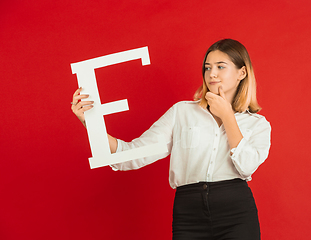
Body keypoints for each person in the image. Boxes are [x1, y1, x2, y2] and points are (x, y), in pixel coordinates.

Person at [71, 39, 271, 240]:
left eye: (221, 67)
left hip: (236, 213)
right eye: (207, 67)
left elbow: (246, 167)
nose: (212, 74)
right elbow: (129, 156)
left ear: (241, 73)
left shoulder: (257, 124)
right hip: (189, 214)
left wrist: (227, 116)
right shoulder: (182, 112)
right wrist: (91, 123)